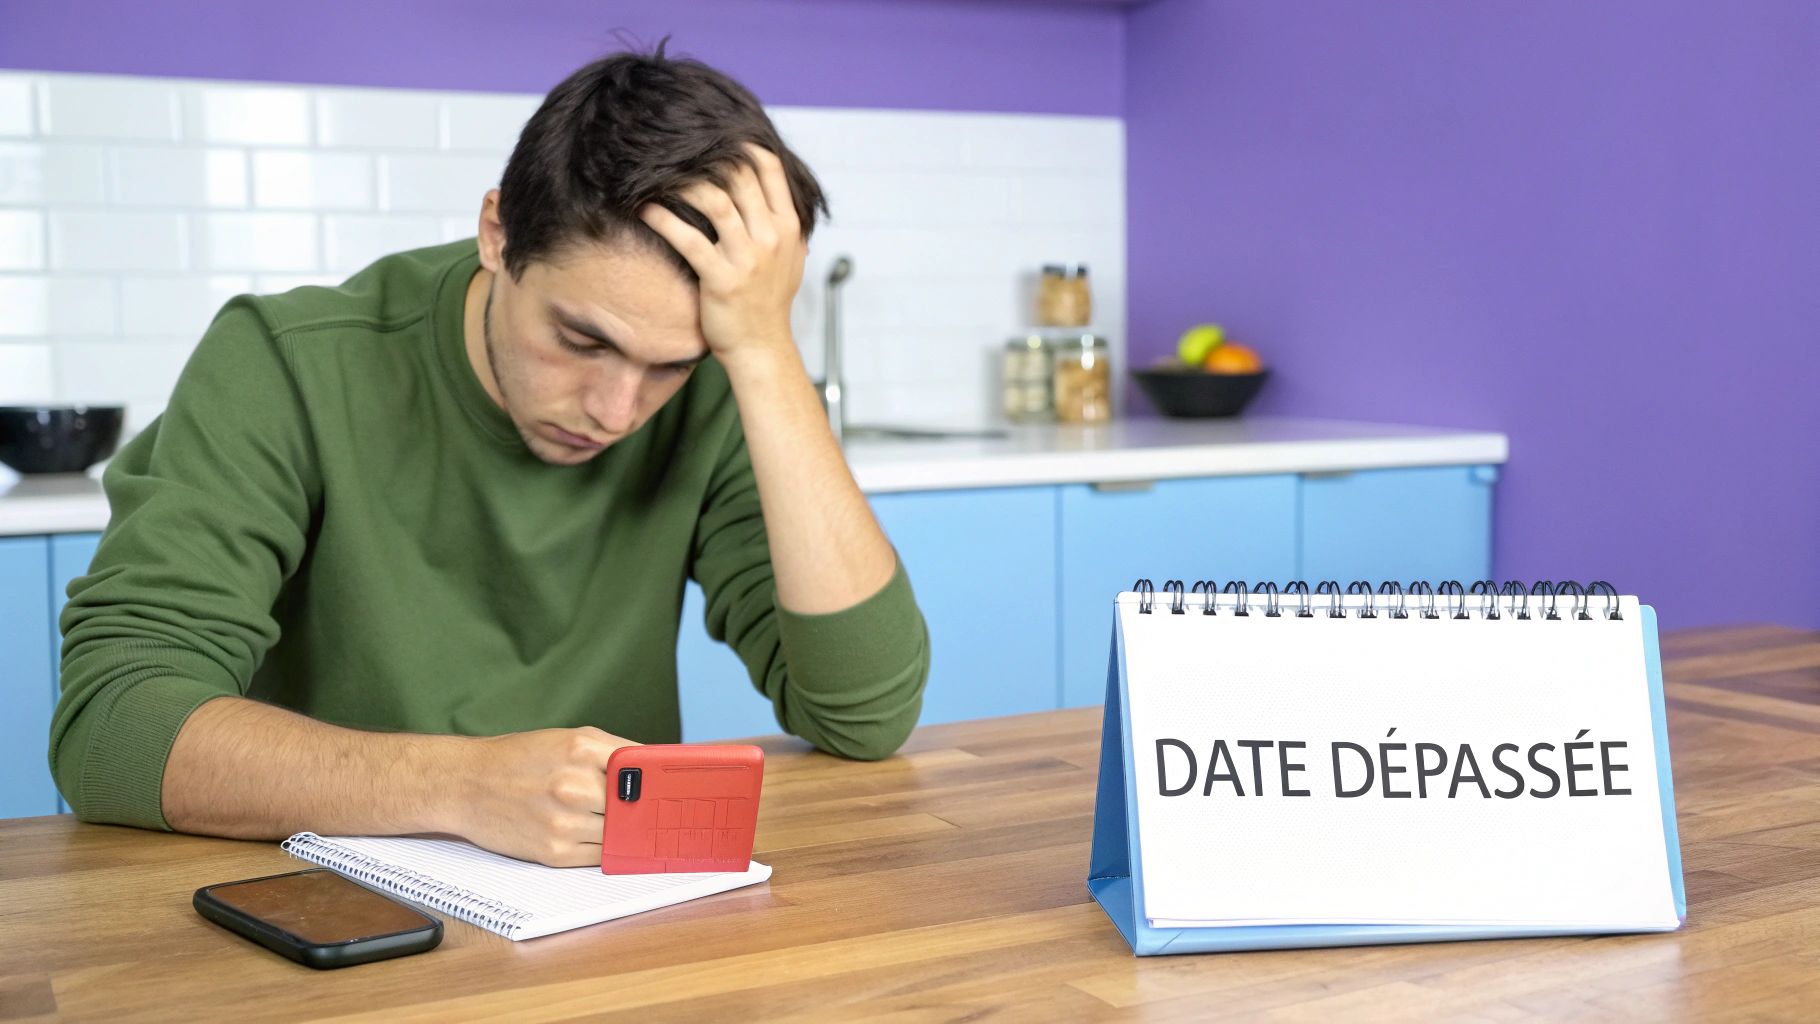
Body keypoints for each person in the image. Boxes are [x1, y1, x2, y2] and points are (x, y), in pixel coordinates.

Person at [46, 43, 930, 867]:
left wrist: (765, 354)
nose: (617, 410)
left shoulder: (722, 384)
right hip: (329, 907)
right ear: (498, 235)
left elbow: (866, 714)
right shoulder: (286, 362)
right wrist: (464, 787)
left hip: (606, 913)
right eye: (581, 339)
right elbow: (112, 726)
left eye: (670, 365)